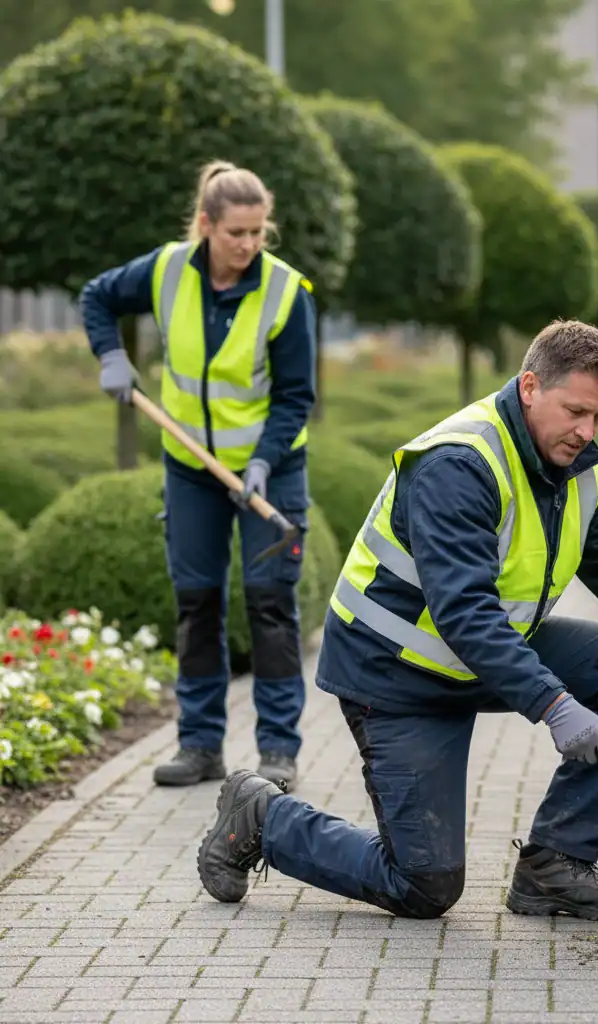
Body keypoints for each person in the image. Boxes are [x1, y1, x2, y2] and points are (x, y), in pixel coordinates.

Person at [195, 320, 598, 921]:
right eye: (575, 411)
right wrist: (554, 704)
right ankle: (262, 815)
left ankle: (556, 866)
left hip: (480, 659)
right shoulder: (458, 464)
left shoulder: (577, 471)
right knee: (424, 887)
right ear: (529, 387)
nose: (586, 431)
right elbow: (464, 614)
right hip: (396, 675)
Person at [79, 160, 317, 791]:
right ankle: (200, 745)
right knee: (197, 600)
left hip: (272, 467)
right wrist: (111, 355)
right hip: (191, 468)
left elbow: (296, 396)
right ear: (206, 225)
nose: (248, 245)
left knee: (270, 603)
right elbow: (97, 296)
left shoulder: (287, 293)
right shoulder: (165, 270)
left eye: (258, 233)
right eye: (236, 232)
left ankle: (278, 751)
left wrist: (262, 462)